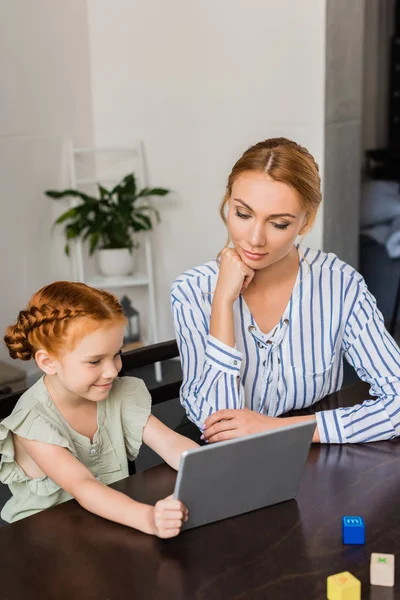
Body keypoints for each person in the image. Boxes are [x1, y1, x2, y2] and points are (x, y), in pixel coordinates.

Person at [171, 137, 400, 445]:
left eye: (278, 224)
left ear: (306, 221)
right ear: (228, 204)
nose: (254, 238)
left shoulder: (339, 285)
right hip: (218, 464)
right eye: (242, 214)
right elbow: (217, 423)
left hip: (313, 457)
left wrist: (276, 428)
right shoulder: (192, 291)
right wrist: (223, 302)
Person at [1, 281, 197, 536]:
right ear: (48, 362)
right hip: (46, 541)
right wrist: (148, 518)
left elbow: (170, 443)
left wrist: (214, 469)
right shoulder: (33, 421)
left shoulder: (120, 393)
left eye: (117, 354)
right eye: (95, 361)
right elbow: (84, 486)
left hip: (107, 523)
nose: (112, 370)